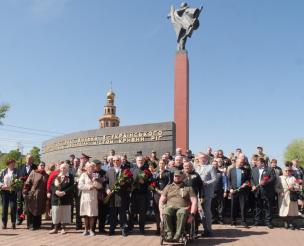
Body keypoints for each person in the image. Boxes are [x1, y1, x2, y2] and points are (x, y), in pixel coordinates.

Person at [159, 170, 197, 242]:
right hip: (170, 207)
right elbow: (161, 201)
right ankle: (169, 233)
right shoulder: (168, 187)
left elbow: (194, 201)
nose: (177, 178)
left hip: (183, 207)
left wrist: (192, 215)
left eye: (179, 176)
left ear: (182, 177)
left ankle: (178, 234)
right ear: (173, 177)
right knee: (166, 212)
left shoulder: (188, 188)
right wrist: (161, 212)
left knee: (182, 212)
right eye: (175, 176)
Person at [106, 155, 132, 237]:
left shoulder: (125, 171)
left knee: (122, 213)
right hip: (112, 196)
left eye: (117, 160)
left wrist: (125, 183)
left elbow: (130, 181)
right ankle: (112, 229)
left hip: (122, 195)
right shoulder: (109, 170)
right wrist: (107, 189)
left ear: (120, 161)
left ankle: (123, 229)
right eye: (113, 161)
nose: (115, 162)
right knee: (113, 213)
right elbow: (106, 182)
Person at [194, 153, 216, 237]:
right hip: (198, 193)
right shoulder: (196, 168)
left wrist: (206, 183)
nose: (202, 159)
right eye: (200, 158)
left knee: (207, 212)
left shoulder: (211, 167)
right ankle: (205, 229)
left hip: (207, 192)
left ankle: (209, 230)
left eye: (203, 158)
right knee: (201, 212)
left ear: (206, 158)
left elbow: (214, 179)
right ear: (198, 159)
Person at [49, 162, 74, 234]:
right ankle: (55, 228)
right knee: (56, 213)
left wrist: (64, 192)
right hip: (56, 198)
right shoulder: (56, 176)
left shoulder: (70, 176)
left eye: (64, 168)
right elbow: (52, 186)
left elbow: (72, 186)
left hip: (66, 197)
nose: (63, 169)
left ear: (67, 169)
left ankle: (63, 228)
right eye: (62, 168)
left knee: (64, 213)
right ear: (59, 169)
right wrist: (56, 191)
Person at [251, 157, 276, 228]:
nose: (256, 164)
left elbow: (273, 178)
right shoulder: (254, 169)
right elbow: (252, 179)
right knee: (258, 207)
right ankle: (257, 221)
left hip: (267, 192)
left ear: (262, 163)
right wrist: (253, 186)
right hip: (257, 191)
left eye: (258, 163)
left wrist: (265, 182)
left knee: (268, 207)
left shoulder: (270, 169)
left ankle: (268, 222)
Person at [78, 162, 102, 236]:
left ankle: (91, 230)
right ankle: (85, 230)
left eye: (92, 167)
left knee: (92, 214)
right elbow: (80, 186)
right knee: (85, 215)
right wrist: (89, 187)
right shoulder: (83, 175)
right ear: (86, 168)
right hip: (85, 197)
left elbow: (100, 186)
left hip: (93, 197)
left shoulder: (96, 175)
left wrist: (95, 182)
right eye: (89, 167)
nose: (91, 168)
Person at [23, 162, 48, 230]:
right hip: (33, 193)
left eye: (43, 165)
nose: (42, 166)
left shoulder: (46, 175)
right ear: (38, 166)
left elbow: (47, 185)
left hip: (42, 194)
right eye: (41, 165)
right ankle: (30, 225)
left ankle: (37, 224)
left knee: (39, 209)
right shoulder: (33, 172)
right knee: (31, 209)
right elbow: (28, 182)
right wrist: (25, 190)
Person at [129, 155, 151, 234]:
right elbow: (128, 181)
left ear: (144, 161)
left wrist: (145, 182)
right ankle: (130, 227)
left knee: (142, 213)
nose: (140, 162)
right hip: (133, 194)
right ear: (136, 161)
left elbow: (151, 182)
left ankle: (142, 228)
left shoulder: (147, 171)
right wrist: (131, 186)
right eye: (139, 160)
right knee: (131, 212)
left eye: (141, 160)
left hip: (143, 194)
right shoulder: (131, 170)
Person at [228, 158, 251, 227]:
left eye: (243, 162)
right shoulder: (231, 170)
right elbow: (229, 180)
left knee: (243, 207)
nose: (242, 163)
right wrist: (230, 188)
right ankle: (233, 221)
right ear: (236, 162)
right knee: (233, 206)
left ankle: (243, 221)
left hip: (243, 191)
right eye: (240, 162)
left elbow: (248, 179)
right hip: (234, 191)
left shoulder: (246, 170)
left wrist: (246, 183)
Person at [17, 154, 37, 225]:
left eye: (31, 158)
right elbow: (17, 177)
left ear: (33, 160)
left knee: (28, 205)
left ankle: (29, 221)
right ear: (26, 159)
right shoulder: (20, 167)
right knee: (19, 204)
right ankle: (19, 219)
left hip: (30, 189)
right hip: (21, 189)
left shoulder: (35, 167)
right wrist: (20, 179)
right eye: (28, 158)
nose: (29, 160)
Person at [153, 160, 171, 235]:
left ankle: (166, 228)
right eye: (160, 163)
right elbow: (153, 183)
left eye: (162, 163)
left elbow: (170, 182)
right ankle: (158, 228)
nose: (161, 164)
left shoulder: (168, 173)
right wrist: (157, 190)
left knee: (165, 211)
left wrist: (164, 191)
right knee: (157, 211)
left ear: (165, 164)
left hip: (166, 194)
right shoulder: (155, 173)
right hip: (157, 194)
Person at [0, 159, 18, 229]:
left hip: (13, 191)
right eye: (12, 163)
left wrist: (13, 185)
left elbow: (19, 180)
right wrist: (1, 185)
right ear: (8, 164)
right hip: (4, 191)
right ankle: (4, 223)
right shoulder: (3, 171)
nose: (13, 165)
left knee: (13, 207)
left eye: (14, 164)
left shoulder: (17, 171)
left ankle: (13, 223)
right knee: (4, 207)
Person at [91, 159, 108, 234]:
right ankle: (93, 229)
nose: (98, 166)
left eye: (99, 164)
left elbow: (106, 182)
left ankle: (101, 228)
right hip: (95, 195)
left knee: (103, 213)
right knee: (95, 213)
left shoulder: (104, 172)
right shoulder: (93, 173)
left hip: (103, 195)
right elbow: (95, 182)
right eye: (96, 165)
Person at [211, 159, 228, 225]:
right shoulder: (209, 173)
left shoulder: (222, 173)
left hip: (220, 191)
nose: (215, 165)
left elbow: (225, 183)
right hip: (211, 191)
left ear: (218, 165)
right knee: (211, 206)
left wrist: (225, 191)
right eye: (213, 164)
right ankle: (213, 218)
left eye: (216, 164)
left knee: (220, 206)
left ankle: (220, 219)